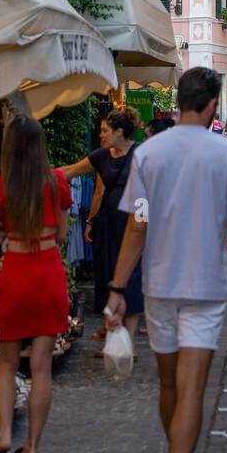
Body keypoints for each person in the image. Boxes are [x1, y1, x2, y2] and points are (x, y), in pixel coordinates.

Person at [107, 68, 227, 453]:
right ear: (211, 105)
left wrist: (117, 288)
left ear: (178, 102)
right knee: (192, 389)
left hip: (160, 283)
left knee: (170, 384)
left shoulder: (149, 153)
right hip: (205, 285)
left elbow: (137, 228)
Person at [0, 114, 73, 453]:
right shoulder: (56, 183)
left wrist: (4, 232)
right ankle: (31, 448)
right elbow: (63, 235)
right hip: (48, 272)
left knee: (6, 361)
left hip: (16, 273)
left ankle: (4, 436)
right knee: (42, 368)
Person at [61, 108, 142, 354]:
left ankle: (128, 342)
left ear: (119, 131)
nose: (100, 135)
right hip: (108, 222)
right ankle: (114, 338)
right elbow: (70, 171)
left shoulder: (142, 153)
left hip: (134, 221)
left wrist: (146, 225)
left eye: (105, 131)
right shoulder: (102, 156)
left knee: (133, 275)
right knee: (109, 273)